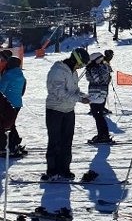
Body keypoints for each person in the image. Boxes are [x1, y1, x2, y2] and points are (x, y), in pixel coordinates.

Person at [43, 48, 91, 181]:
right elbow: (59, 93)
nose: (81, 67)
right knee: (55, 141)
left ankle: (64, 169)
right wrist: (80, 99)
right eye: (81, 64)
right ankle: (52, 170)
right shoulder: (58, 70)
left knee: (67, 141)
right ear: (76, 60)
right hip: (55, 110)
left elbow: (75, 91)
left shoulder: (73, 72)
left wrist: (86, 96)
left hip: (69, 110)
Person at [0, 56, 26, 156]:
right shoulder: (21, 75)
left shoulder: (8, 75)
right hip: (17, 103)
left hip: (7, 103)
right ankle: (14, 143)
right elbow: (23, 90)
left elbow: (1, 89)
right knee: (11, 124)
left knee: (7, 125)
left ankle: (11, 145)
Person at [85, 52, 112, 144]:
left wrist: (90, 70)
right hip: (100, 93)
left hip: (97, 94)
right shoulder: (104, 67)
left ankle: (103, 135)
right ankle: (103, 134)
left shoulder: (97, 68)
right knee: (99, 115)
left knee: (97, 115)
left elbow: (97, 80)